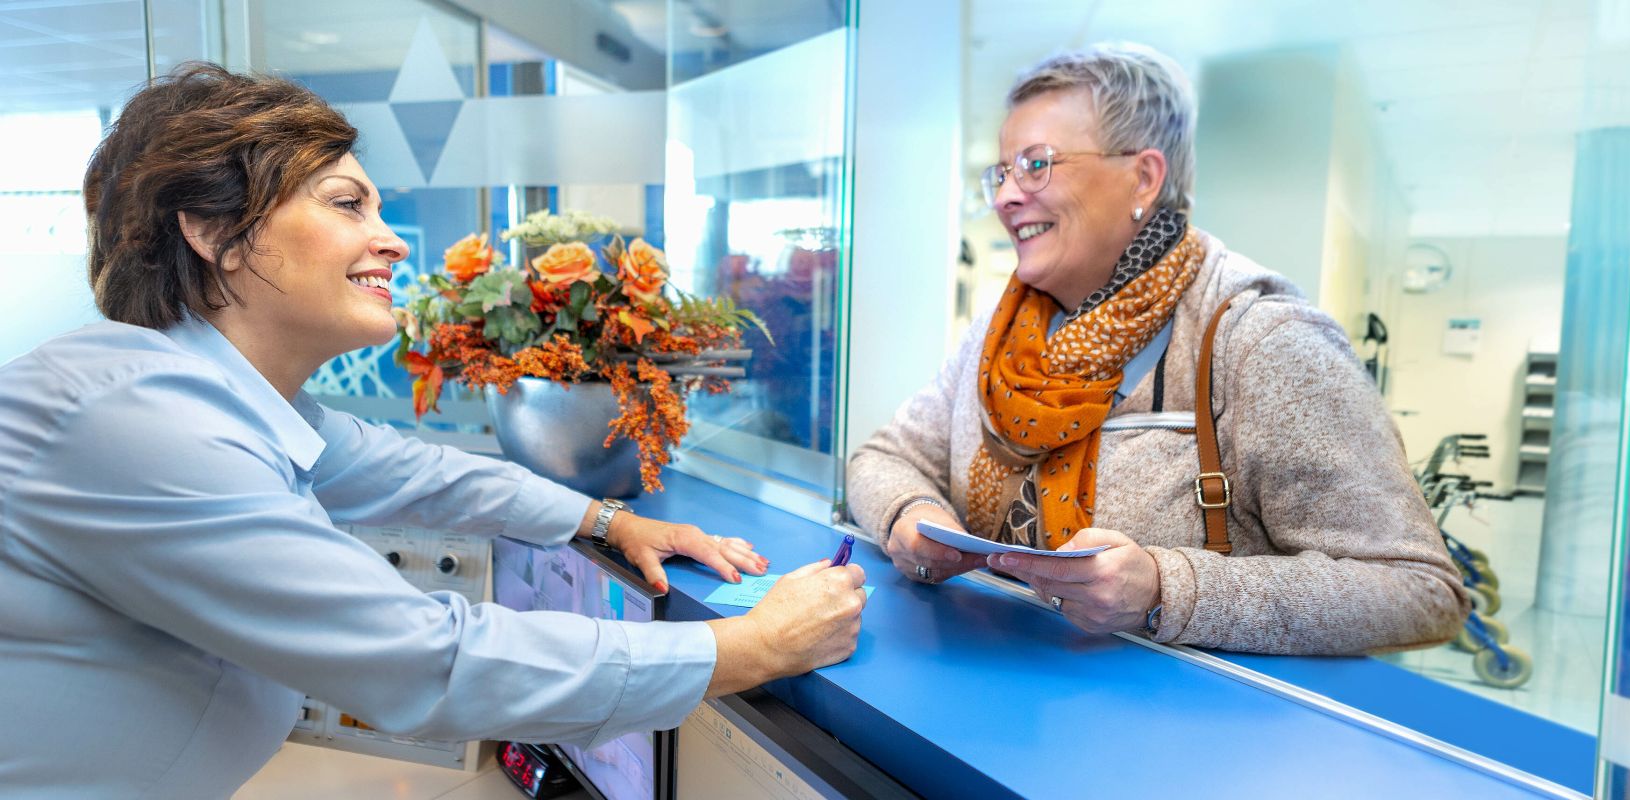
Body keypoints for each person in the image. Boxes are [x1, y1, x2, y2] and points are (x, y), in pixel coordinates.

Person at [0, 64, 866, 797]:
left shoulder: (211, 398)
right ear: (216, 231)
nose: (392, 241)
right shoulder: (133, 423)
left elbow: (417, 472)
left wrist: (608, 521)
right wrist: (753, 646)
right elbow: (427, 661)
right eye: (348, 204)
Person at [847, 44, 1467, 656]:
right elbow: (883, 458)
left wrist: (1168, 589)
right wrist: (911, 514)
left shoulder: (1262, 340)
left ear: (1143, 176)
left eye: (1036, 165)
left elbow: (1417, 591)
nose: (1007, 196)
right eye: (1002, 172)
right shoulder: (999, 331)